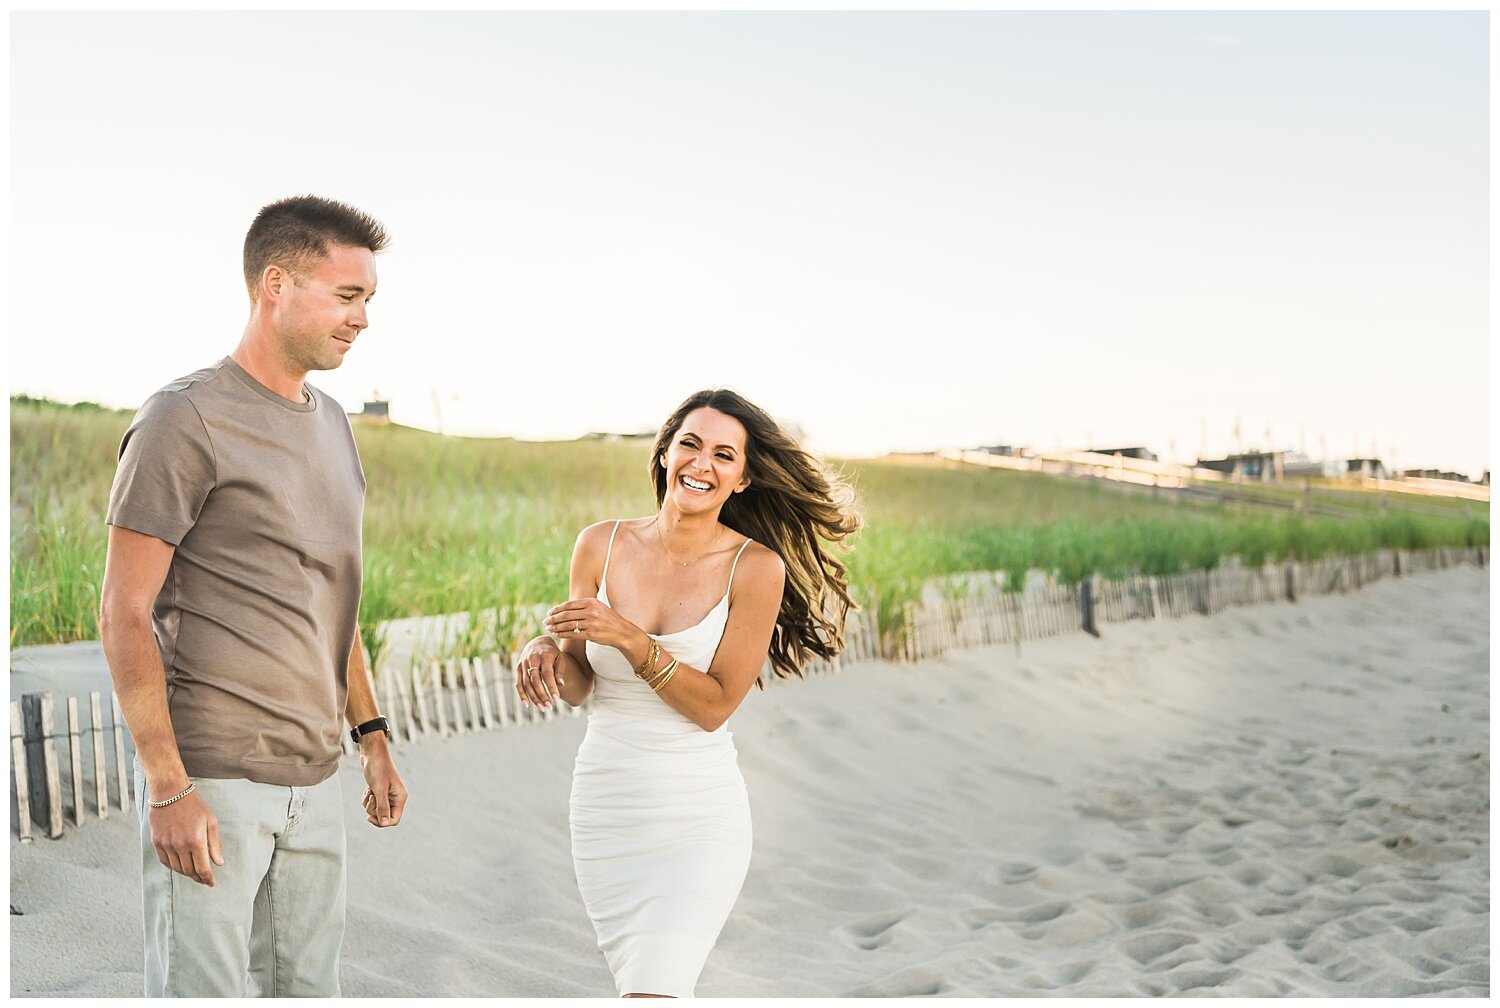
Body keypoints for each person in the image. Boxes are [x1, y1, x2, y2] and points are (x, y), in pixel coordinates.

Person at [99, 195, 408, 997]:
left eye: (369, 299)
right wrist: (168, 785)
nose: (363, 319)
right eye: (348, 296)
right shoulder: (185, 417)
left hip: (316, 778)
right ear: (277, 283)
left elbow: (332, 602)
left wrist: (370, 733)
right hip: (216, 782)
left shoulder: (336, 425)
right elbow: (124, 610)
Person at [514, 388, 862, 997]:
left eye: (723, 455)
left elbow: (714, 706)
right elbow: (579, 683)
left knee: (655, 989)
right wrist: (541, 651)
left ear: (743, 478)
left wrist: (628, 637)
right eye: (690, 445)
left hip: (698, 816)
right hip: (606, 808)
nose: (702, 464)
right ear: (666, 453)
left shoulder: (755, 568)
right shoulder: (600, 543)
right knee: (644, 988)